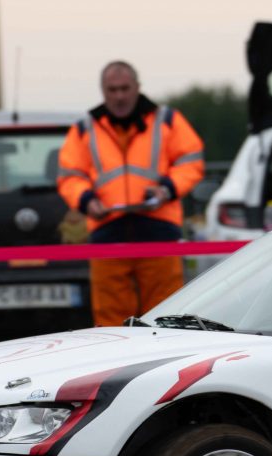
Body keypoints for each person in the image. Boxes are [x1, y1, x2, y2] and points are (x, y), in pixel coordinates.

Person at [57, 61, 204, 326]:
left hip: (159, 229)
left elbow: (191, 161)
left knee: (166, 316)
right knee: (111, 320)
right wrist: (87, 202)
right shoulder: (85, 128)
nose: (119, 96)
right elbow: (70, 175)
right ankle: (115, 366)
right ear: (103, 90)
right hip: (107, 231)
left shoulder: (167, 121)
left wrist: (166, 190)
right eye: (112, 90)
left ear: (137, 87)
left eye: (125, 88)